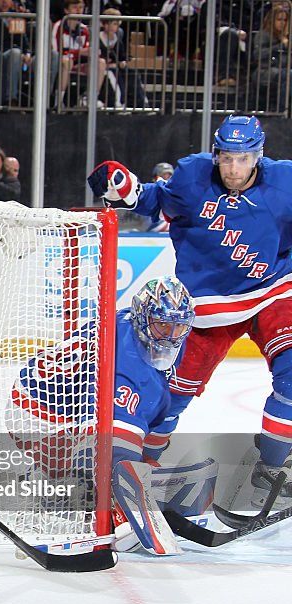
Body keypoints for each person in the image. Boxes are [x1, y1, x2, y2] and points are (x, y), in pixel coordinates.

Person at [88, 114, 292, 511]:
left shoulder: (285, 181)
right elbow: (153, 201)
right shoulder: (191, 176)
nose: (234, 168)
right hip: (210, 308)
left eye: (243, 159)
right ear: (216, 154)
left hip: (274, 293)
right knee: (170, 397)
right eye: (227, 158)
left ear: (259, 157)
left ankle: (271, 468)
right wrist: (125, 190)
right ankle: (135, 474)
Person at [6, 277, 201, 554]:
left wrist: (144, 469)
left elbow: (157, 412)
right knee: (96, 462)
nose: (170, 334)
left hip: (66, 403)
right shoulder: (125, 359)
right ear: (144, 318)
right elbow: (114, 447)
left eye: (178, 326)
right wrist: (125, 506)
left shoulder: (144, 335)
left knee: (113, 458)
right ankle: (40, 490)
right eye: (163, 325)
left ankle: (59, 483)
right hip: (36, 412)